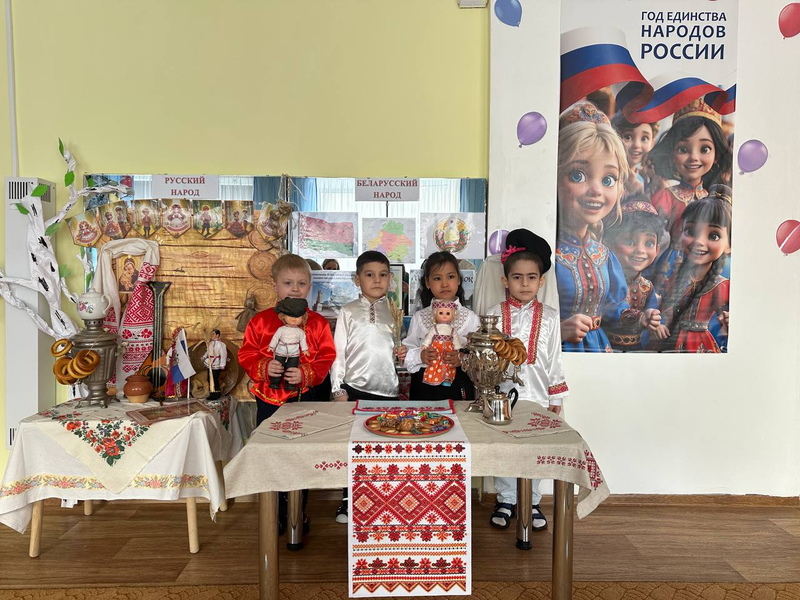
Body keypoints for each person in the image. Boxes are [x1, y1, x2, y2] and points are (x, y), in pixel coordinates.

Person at [238, 253, 336, 534]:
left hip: (304, 399)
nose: (295, 288)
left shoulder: (317, 323)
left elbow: (326, 357)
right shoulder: (260, 322)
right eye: (288, 283)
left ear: (310, 287)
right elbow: (247, 354)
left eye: (301, 283)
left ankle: (296, 511)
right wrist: (264, 367)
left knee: (300, 456)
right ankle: (275, 511)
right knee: (272, 454)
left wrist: (306, 373)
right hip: (269, 400)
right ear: (275, 286)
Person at [555, 103, 662, 352]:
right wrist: (557, 330)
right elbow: (521, 314)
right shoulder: (548, 255)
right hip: (559, 354)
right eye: (578, 175)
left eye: (608, 179)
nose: (596, 191)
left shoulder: (603, 255)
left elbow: (614, 308)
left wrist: (640, 318)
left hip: (600, 351)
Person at [485, 228, 568, 532]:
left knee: (535, 449)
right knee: (505, 447)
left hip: (538, 396)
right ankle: (506, 499)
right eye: (517, 277)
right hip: (502, 396)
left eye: (531, 277)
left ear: (540, 281)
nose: (524, 283)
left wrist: (555, 398)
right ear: (505, 281)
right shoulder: (493, 314)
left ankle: (531, 501)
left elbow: (554, 358)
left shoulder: (551, 316)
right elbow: (487, 358)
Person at [329, 250, 407, 523]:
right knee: (354, 448)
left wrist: (401, 355)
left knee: (384, 449)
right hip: (354, 390)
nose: (377, 280)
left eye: (383, 275)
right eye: (370, 274)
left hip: (387, 391)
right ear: (357, 279)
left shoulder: (394, 312)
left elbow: (395, 351)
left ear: (390, 279)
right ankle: (348, 501)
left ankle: (381, 500)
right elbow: (338, 353)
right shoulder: (348, 311)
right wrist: (338, 389)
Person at [646, 99, 732, 293]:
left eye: (704, 149)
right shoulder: (664, 197)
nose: (694, 157)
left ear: (717, 155)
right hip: (671, 266)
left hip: (708, 265)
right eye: (684, 149)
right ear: (672, 154)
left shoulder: (717, 200)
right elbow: (651, 236)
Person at [656, 192, 731, 353]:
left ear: (729, 245)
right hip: (670, 339)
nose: (699, 242)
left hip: (699, 344)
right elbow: (665, 308)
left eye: (713, 235)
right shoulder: (678, 275)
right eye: (690, 232)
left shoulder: (721, 285)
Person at [403, 251, 479, 401]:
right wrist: (421, 355)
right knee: (424, 416)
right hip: (424, 386)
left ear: (459, 279)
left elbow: (479, 355)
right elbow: (407, 350)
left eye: (450, 277)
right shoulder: (419, 317)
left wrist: (462, 359)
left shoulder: (471, 318)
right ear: (427, 282)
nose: (444, 284)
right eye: (437, 278)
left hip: (459, 384)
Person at [602, 198, 669, 351]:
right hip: (607, 347)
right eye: (630, 242)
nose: (640, 250)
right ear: (609, 244)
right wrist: (640, 317)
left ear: (657, 250)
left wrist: (655, 323)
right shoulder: (605, 281)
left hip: (637, 349)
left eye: (649, 243)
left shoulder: (647, 286)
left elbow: (652, 312)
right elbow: (608, 310)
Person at [611, 113, 660, 200]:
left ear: (652, 144)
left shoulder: (644, 178)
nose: (636, 145)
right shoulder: (611, 176)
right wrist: (637, 193)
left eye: (644, 138)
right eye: (628, 137)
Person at [268, 298, 310, 392]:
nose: (294, 319)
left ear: (303, 318)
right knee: (278, 367)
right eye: (290, 316)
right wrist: (271, 346)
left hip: (294, 353)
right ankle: (275, 382)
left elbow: (303, 340)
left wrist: (305, 350)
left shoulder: (300, 331)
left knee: (291, 369)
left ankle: (290, 384)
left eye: (298, 317)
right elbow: (275, 338)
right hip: (281, 351)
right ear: (283, 316)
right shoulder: (281, 329)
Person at [420, 300, 463, 387]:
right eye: (441, 313)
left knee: (448, 364)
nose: (444, 315)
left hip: (448, 351)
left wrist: (458, 349)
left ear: (453, 315)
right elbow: (429, 337)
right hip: (436, 350)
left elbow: (456, 340)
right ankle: (433, 378)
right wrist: (425, 344)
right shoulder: (434, 328)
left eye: (448, 313)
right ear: (435, 314)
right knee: (434, 363)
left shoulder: (452, 330)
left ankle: (447, 378)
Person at [202, 329, 228, 400]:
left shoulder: (221, 345)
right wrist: (204, 357)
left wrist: (222, 364)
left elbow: (223, 354)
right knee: (209, 378)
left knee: (215, 379)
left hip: (216, 363)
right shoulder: (210, 343)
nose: (212, 335)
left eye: (213, 334)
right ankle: (211, 392)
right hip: (210, 362)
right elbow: (208, 351)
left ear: (217, 335)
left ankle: (217, 393)